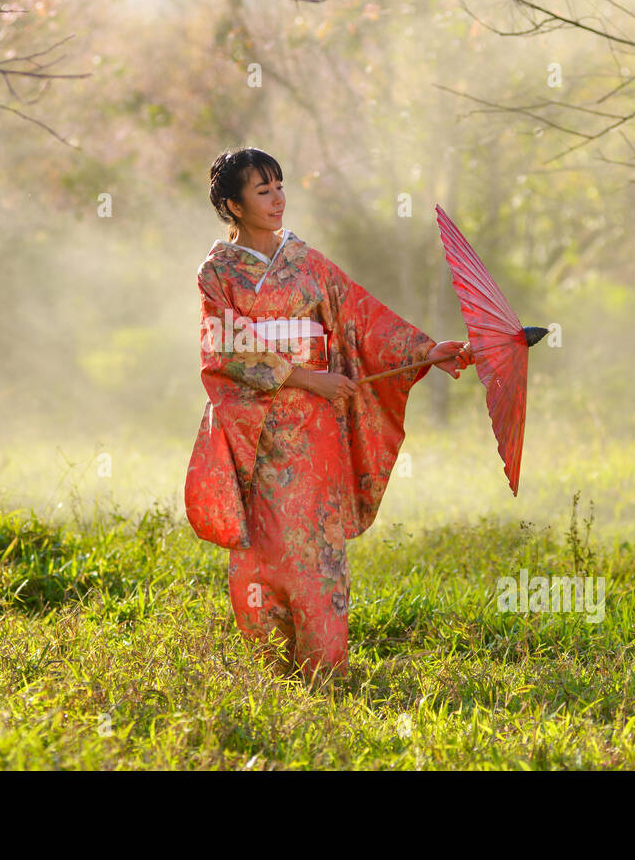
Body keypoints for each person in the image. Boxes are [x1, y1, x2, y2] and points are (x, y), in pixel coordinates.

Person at [184, 147, 473, 686]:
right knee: (262, 547)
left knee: (316, 547)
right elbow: (224, 347)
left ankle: (325, 671)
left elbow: (363, 317)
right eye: (262, 191)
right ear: (233, 205)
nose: (277, 199)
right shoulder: (218, 272)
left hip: (315, 431)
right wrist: (308, 378)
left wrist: (426, 351)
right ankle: (269, 673)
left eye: (280, 186)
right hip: (255, 430)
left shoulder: (308, 262)